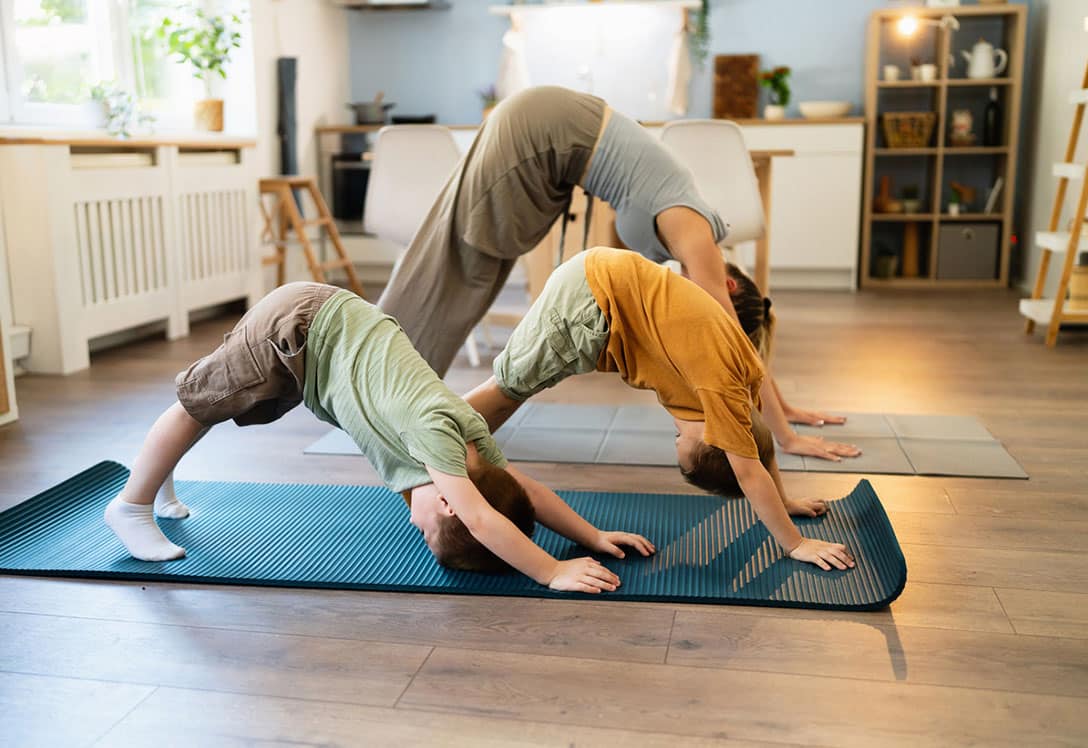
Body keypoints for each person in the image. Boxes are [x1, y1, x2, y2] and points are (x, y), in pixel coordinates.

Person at [377, 85, 858, 463]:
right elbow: (735, 345)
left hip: (547, 126)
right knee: (467, 267)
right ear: (729, 286)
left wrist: (784, 413)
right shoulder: (698, 239)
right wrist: (784, 434)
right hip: (543, 130)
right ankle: (388, 389)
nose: (703, 318)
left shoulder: (684, 231)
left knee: (464, 263)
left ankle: (392, 381)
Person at [104, 282, 654, 594]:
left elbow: (523, 495)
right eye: (428, 530)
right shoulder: (439, 445)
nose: (417, 526)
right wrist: (552, 569)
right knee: (195, 407)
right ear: (446, 502)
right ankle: (130, 506)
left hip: (329, 330)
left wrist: (592, 534)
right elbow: (484, 520)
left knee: (220, 406)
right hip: (297, 330)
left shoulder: (477, 451)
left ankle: (160, 485)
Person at [464, 248, 855, 572]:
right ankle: (429, 440)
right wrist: (794, 542)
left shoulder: (741, 390)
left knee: (515, 390)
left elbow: (758, 447)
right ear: (712, 438)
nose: (677, 431)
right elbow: (749, 470)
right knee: (506, 390)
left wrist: (784, 501)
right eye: (679, 440)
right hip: (589, 304)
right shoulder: (718, 391)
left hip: (597, 300)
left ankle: (456, 450)